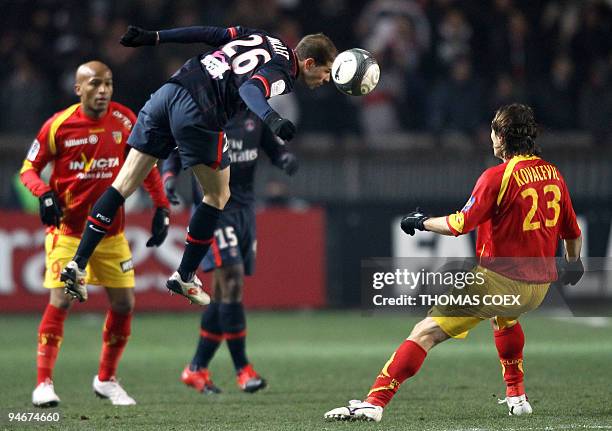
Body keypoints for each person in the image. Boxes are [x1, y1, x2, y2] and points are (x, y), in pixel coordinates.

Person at [324, 104, 584, 422]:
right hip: (540, 285)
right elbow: (572, 232)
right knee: (505, 319)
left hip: (498, 282)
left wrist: (421, 222)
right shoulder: (553, 174)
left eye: (493, 132)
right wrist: (574, 264)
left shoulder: (496, 177)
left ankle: (374, 402)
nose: (491, 139)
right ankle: (517, 396)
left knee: (424, 332)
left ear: (501, 136)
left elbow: (460, 224)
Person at [60, 24, 337, 306]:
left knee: (123, 184)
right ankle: (185, 275)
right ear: (309, 63)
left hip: (170, 90)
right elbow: (251, 90)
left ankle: (77, 264)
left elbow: (209, 34)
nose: (326, 80)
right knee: (218, 195)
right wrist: (273, 118)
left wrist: (155, 37)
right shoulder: (285, 72)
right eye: (326, 72)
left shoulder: (262, 36)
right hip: (201, 108)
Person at [20, 61, 171, 407]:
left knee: (124, 303)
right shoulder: (57, 125)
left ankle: (106, 379)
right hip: (68, 232)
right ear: (79, 89)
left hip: (112, 233)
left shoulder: (124, 120)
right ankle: (43, 383)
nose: (103, 90)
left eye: (108, 84)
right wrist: (43, 192)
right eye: (95, 84)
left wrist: (162, 206)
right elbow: (28, 169)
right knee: (61, 300)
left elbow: (144, 164)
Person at [163, 110, 298, 394]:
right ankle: (243, 369)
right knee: (233, 278)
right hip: (214, 209)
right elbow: (175, 150)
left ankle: (196, 368)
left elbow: (273, 148)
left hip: (245, 211)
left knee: (224, 291)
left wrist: (283, 158)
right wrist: (169, 178)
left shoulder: (254, 115)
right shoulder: (204, 113)